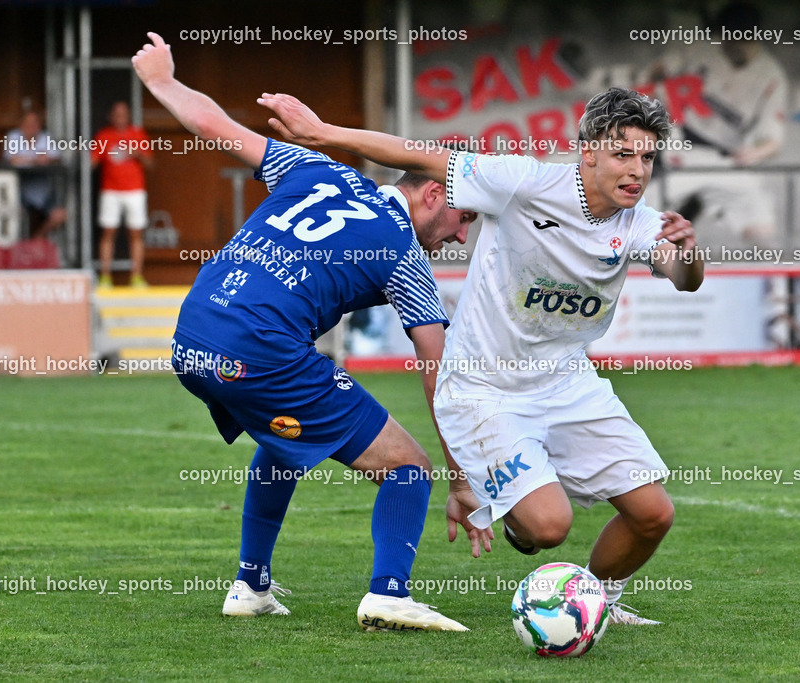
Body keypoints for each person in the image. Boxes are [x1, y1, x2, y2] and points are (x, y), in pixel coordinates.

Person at [261, 85, 704, 625]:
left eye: (647, 157)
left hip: (567, 382)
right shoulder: (524, 183)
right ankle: (516, 511)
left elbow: (682, 278)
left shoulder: (638, 222)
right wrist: (322, 134)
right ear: (588, 151)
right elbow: (417, 154)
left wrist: (688, 253)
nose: (637, 169)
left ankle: (596, 604)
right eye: (623, 153)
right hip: (484, 390)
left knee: (653, 514)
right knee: (546, 529)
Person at [131, 32, 484, 631]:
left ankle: (250, 584)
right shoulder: (404, 252)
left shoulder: (320, 167)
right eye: (464, 216)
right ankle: (389, 594)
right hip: (260, 348)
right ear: (432, 191)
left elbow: (218, 128)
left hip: (193, 335)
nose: (461, 236)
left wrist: (162, 81)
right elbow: (437, 368)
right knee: (406, 468)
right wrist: (461, 476)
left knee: (281, 440)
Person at [642, 1, 788, 247]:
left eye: (737, 38)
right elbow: (658, 71)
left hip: (726, 158)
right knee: (635, 211)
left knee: (763, 231)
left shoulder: (772, 76)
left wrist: (755, 153)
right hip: (679, 147)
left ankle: (774, 282)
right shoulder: (701, 49)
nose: (728, 44)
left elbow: (773, 140)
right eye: (725, 37)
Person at [92, 101, 153, 287]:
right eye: (117, 114)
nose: (120, 117)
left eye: (124, 113)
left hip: (135, 190)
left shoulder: (138, 134)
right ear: (111, 116)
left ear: (129, 116)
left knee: (136, 233)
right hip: (110, 191)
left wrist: (137, 153)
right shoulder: (104, 135)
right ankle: (105, 277)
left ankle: (136, 276)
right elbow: (91, 162)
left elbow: (151, 165)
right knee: (108, 232)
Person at [4, 110, 67, 239]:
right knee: (12, 215)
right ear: (21, 125)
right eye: (28, 124)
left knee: (61, 215)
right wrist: (36, 159)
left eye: (35, 124)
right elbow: (12, 160)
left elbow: (56, 157)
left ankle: (36, 240)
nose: (32, 127)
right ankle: (19, 247)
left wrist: (47, 159)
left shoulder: (45, 137)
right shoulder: (13, 136)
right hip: (19, 189)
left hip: (43, 189)